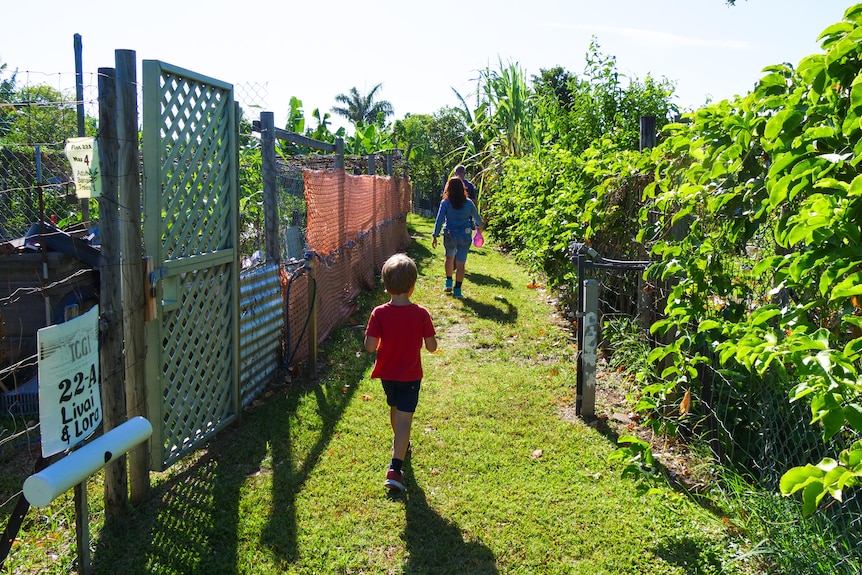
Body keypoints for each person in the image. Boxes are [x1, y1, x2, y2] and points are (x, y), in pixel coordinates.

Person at [364, 253, 438, 491]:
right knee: (405, 418)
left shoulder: (379, 313)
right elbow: (432, 346)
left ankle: (400, 443)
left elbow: (369, 346)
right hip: (410, 375)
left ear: (385, 286)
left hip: (388, 374)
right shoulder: (421, 313)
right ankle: (396, 467)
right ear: (412, 286)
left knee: (394, 409)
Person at [432, 178, 484, 298]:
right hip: (464, 236)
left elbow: (439, 220)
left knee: (449, 258)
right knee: (461, 264)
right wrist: (479, 229)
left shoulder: (445, 203)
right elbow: (478, 220)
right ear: (462, 188)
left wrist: (435, 235)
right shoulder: (469, 203)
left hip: (450, 235)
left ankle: (448, 282)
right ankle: (458, 290)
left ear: (448, 189)